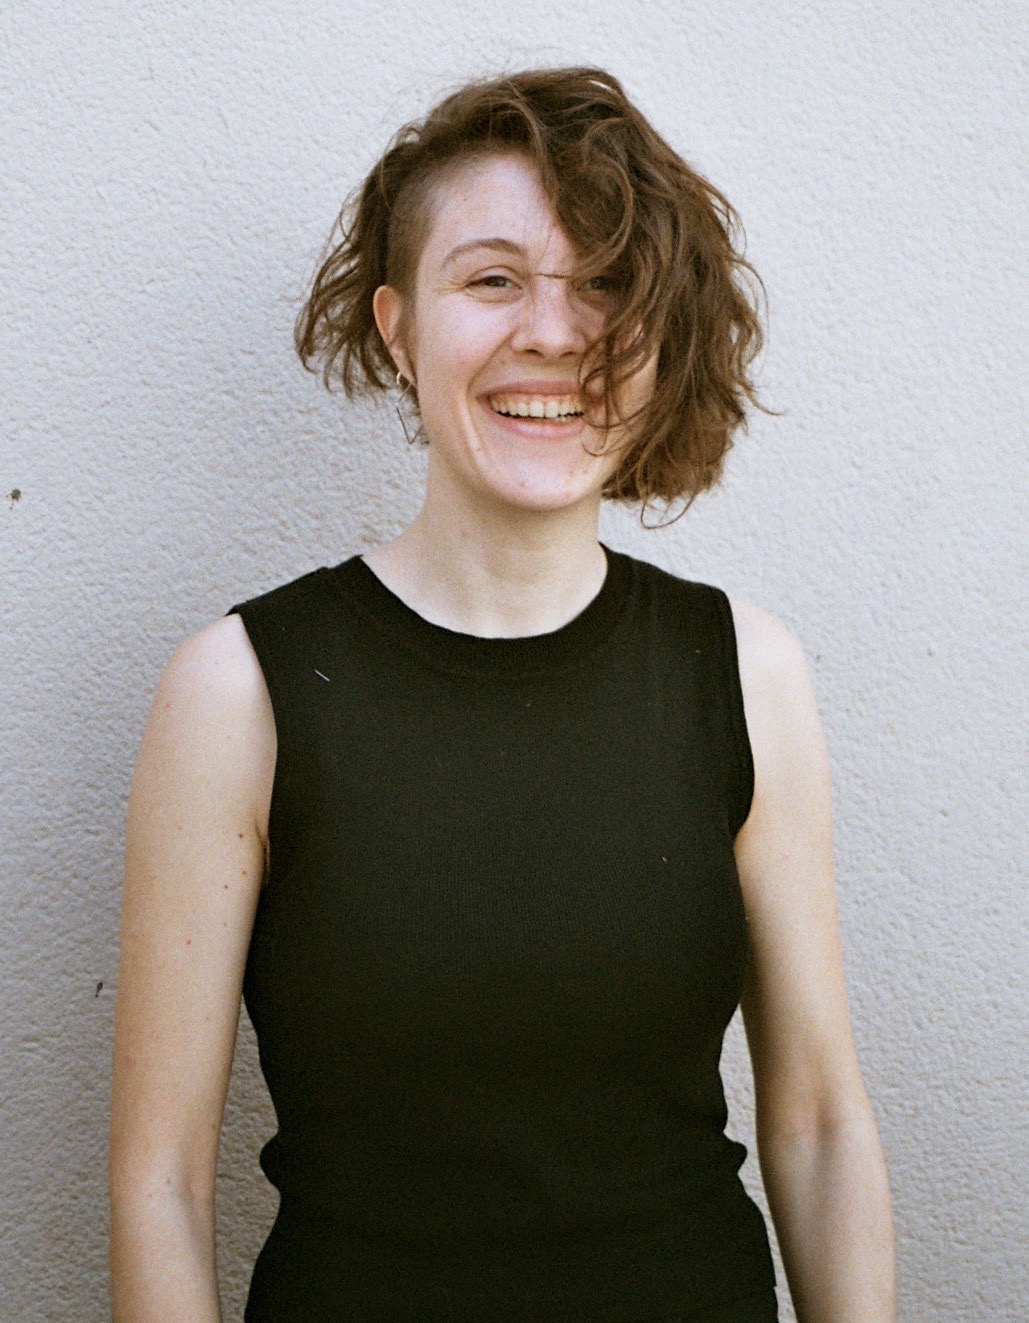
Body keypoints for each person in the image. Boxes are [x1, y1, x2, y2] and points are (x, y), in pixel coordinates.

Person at [108, 66, 896, 1322]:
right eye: (491, 280)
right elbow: (160, 1185)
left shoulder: (747, 674)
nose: (555, 332)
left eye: (606, 285)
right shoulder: (238, 692)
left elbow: (819, 1126)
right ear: (397, 327)